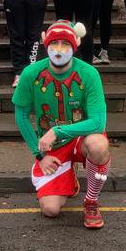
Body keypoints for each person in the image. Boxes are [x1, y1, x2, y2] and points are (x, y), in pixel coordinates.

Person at [13, 21, 110, 229]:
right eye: (54, 43)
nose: (58, 50)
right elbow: (21, 116)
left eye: (65, 44)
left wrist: (57, 131)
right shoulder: (31, 74)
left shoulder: (89, 73)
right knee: (51, 210)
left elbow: (99, 122)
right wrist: (40, 156)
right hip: (53, 149)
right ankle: (69, 176)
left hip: (81, 138)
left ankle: (91, 201)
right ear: (45, 44)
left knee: (99, 146)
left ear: (75, 45)